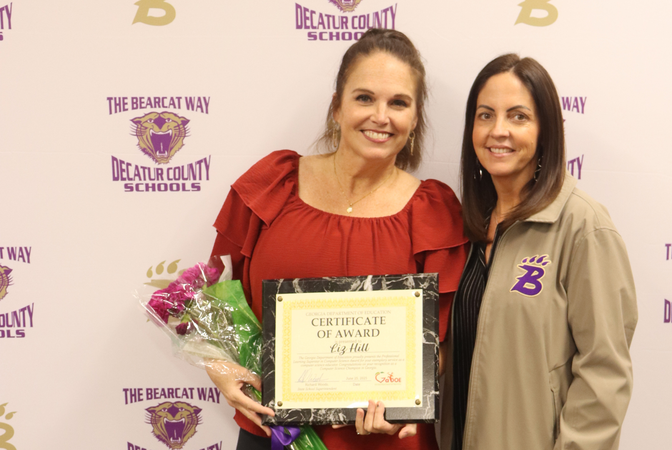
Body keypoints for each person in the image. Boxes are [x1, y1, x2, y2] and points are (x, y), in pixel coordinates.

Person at [206, 29, 468, 450]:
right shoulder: (273, 185)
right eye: (364, 98)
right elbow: (217, 294)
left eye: (398, 103)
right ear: (337, 107)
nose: (380, 116)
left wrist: (405, 401)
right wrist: (218, 364)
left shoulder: (435, 213)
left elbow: (443, 344)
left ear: (415, 118)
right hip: (274, 434)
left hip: (384, 442)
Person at [441, 54, 638, 450]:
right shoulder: (463, 229)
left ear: (546, 130)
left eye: (518, 117)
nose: (499, 131)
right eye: (485, 115)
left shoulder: (582, 226)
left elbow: (605, 372)